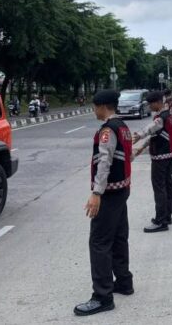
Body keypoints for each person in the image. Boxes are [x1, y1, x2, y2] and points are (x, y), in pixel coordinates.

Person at [74, 90, 134, 317]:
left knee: (99, 242)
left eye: (94, 107)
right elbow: (125, 156)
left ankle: (102, 296)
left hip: (109, 193)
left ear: (102, 106)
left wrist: (96, 193)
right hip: (122, 189)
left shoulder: (108, 130)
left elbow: (104, 162)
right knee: (119, 237)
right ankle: (124, 282)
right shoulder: (123, 126)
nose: (94, 111)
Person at [133, 91, 172, 233]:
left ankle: (161, 221)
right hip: (169, 155)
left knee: (159, 188)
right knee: (167, 186)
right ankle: (167, 216)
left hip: (161, 156)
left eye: (150, 104)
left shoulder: (161, 117)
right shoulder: (168, 115)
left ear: (158, 102)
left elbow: (152, 128)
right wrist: (142, 147)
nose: (149, 107)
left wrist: (139, 135)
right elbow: (156, 135)